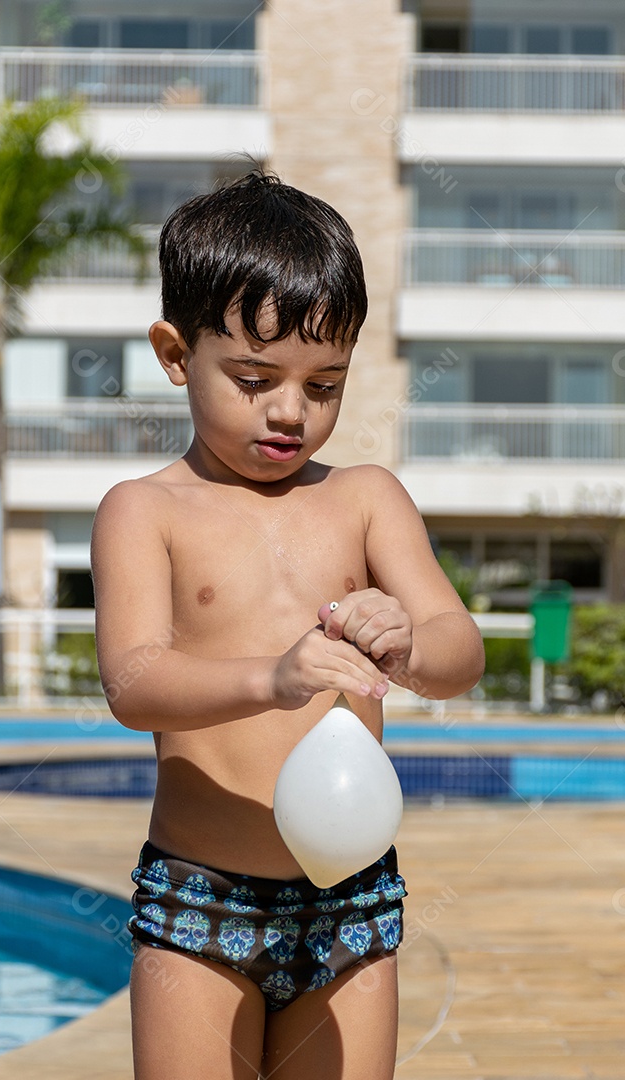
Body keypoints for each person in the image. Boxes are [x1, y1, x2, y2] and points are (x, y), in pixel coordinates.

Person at [91, 170, 485, 1080]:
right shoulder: (143, 512)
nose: (289, 412)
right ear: (174, 352)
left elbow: (458, 652)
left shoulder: (365, 499)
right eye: (255, 378)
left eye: (325, 385)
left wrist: (409, 645)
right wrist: (271, 678)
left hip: (351, 897)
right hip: (203, 901)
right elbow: (133, 682)